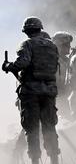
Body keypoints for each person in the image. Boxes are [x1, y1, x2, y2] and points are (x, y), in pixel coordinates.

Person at [2, 17, 60, 164]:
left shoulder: (27, 44)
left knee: (32, 128)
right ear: (40, 29)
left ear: (27, 31)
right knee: (49, 127)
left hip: (31, 93)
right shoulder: (52, 46)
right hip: (49, 91)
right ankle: (54, 159)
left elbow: (23, 62)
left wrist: (8, 66)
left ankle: (35, 160)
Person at [52, 31, 73, 118]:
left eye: (69, 44)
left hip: (64, 96)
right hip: (55, 97)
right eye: (66, 45)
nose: (69, 47)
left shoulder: (67, 60)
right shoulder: (52, 60)